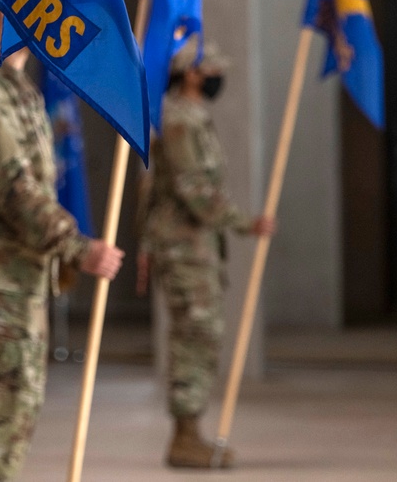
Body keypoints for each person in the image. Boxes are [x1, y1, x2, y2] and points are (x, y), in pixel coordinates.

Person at [0, 5, 123, 482]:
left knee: (16, 412)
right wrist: (79, 248)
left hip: (21, 275)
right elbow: (15, 188)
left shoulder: (19, 90)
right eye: (27, 14)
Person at [136, 37, 276, 469]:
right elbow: (193, 189)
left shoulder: (192, 117)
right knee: (193, 337)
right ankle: (184, 436)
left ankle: (190, 431)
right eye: (212, 68)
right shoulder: (178, 119)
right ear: (191, 73)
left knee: (202, 336)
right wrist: (244, 223)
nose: (218, 76)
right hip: (182, 246)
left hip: (195, 246)